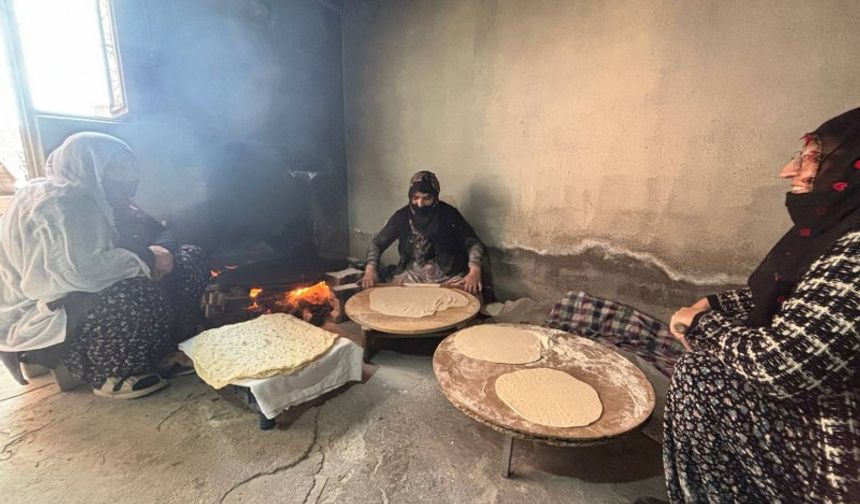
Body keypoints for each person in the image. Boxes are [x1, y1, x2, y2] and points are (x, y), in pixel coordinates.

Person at [664, 108, 860, 502]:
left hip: (839, 445)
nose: (788, 171)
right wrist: (714, 303)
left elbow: (780, 365)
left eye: (811, 158)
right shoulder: (834, 230)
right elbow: (793, 294)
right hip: (819, 403)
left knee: (701, 376)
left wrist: (704, 324)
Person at [0, 132, 208, 399]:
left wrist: (163, 253)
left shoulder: (103, 199)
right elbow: (77, 272)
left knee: (190, 257)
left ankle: (168, 350)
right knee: (135, 292)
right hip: (48, 312)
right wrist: (146, 259)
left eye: (129, 169)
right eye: (116, 169)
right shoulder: (61, 203)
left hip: (96, 290)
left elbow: (159, 231)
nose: (128, 178)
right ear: (88, 165)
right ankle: (112, 374)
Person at [361, 171, 486, 295]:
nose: (420, 204)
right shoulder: (402, 216)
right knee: (390, 299)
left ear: (435, 197)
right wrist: (370, 270)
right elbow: (377, 244)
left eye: (426, 198)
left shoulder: (448, 214)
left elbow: (473, 244)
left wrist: (474, 271)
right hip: (413, 276)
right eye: (415, 198)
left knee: (470, 296)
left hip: (448, 277)